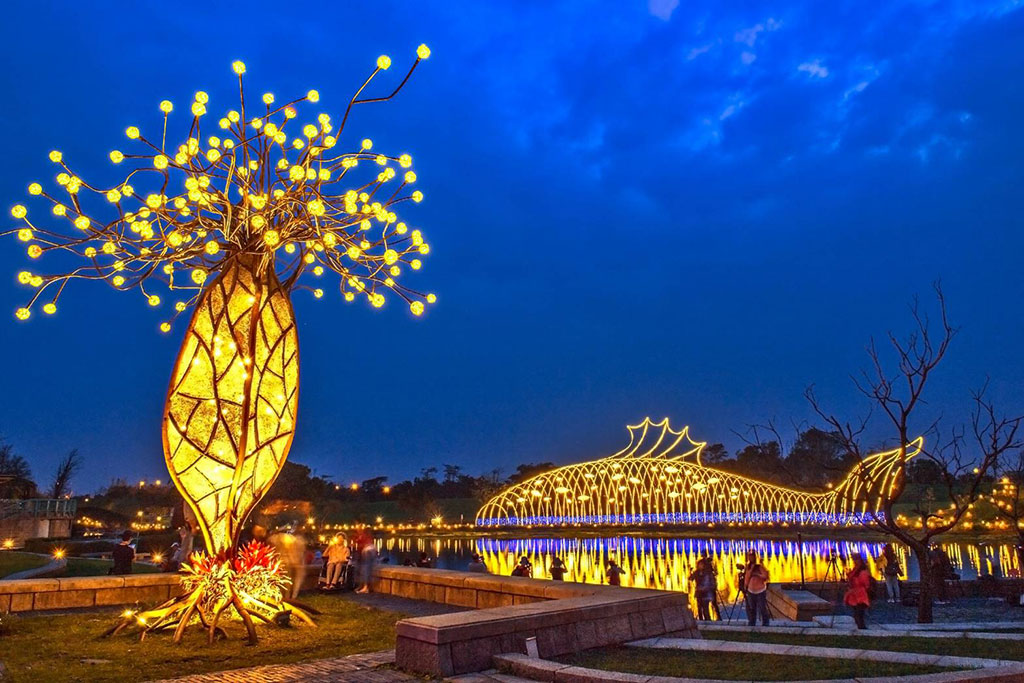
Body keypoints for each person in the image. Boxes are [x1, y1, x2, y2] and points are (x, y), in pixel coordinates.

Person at [845, 552, 872, 629]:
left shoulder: (862, 571)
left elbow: (865, 583)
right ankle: (860, 627)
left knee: (859, 613)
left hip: (860, 594)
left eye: (855, 559)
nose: (854, 561)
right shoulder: (857, 569)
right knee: (857, 612)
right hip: (855, 594)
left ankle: (862, 628)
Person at [743, 551, 770, 626]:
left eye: (752, 556)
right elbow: (747, 577)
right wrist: (745, 586)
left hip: (760, 590)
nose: (750, 558)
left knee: (762, 608)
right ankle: (752, 622)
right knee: (752, 608)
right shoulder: (748, 567)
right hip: (751, 590)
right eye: (749, 556)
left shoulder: (759, 567)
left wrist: (757, 574)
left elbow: (765, 577)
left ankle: (765, 622)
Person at [353, 527, 377, 593]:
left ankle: (365, 587)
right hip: (370, 549)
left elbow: (360, 545)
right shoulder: (366, 535)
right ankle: (362, 586)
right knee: (363, 568)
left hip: (367, 550)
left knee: (365, 568)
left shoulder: (363, 535)